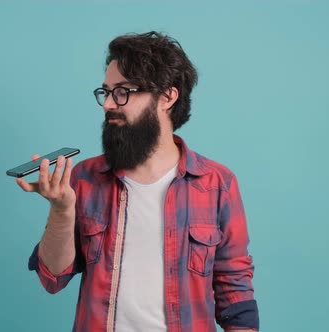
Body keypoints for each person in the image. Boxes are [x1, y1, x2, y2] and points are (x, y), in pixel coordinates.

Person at [17, 31, 259, 332]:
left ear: (167, 97)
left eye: (123, 92)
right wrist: (62, 210)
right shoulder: (85, 179)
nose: (108, 104)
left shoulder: (216, 184)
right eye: (106, 92)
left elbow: (234, 288)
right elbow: (52, 277)